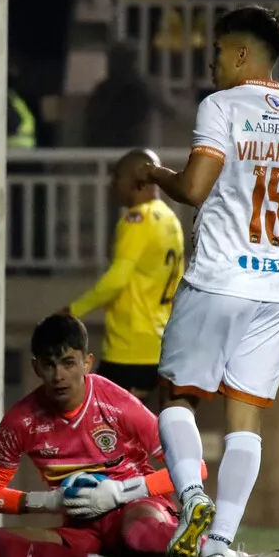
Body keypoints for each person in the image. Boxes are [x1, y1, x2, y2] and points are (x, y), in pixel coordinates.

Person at [133, 5, 279, 557]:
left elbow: (195, 189)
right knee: (245, 419)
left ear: (239, 54)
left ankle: (191, 502)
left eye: (215, 52)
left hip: (219, 276)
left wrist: (154, 175)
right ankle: (219, 545)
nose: (209, 63)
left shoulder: (222, 107)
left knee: (176, 399)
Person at [0, 315, 279, 557]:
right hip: (82, 529)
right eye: (49, 364)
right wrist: (50, 500)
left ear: (87, 363)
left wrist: (119, 492)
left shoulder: (116, 402)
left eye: (68, 363)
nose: (59, 375)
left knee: (138, 536)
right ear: (36, 367)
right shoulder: (21, 420)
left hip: (137, 510)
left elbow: (196, 467)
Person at [66, 149, 184, 405]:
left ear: (136, 179)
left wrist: (72, 311)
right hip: (161, 343)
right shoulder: (169, 219)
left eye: (118, 176)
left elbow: (117, 279)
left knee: (99, 424)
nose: (113, 184)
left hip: (130, 348)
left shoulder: (137, 220)